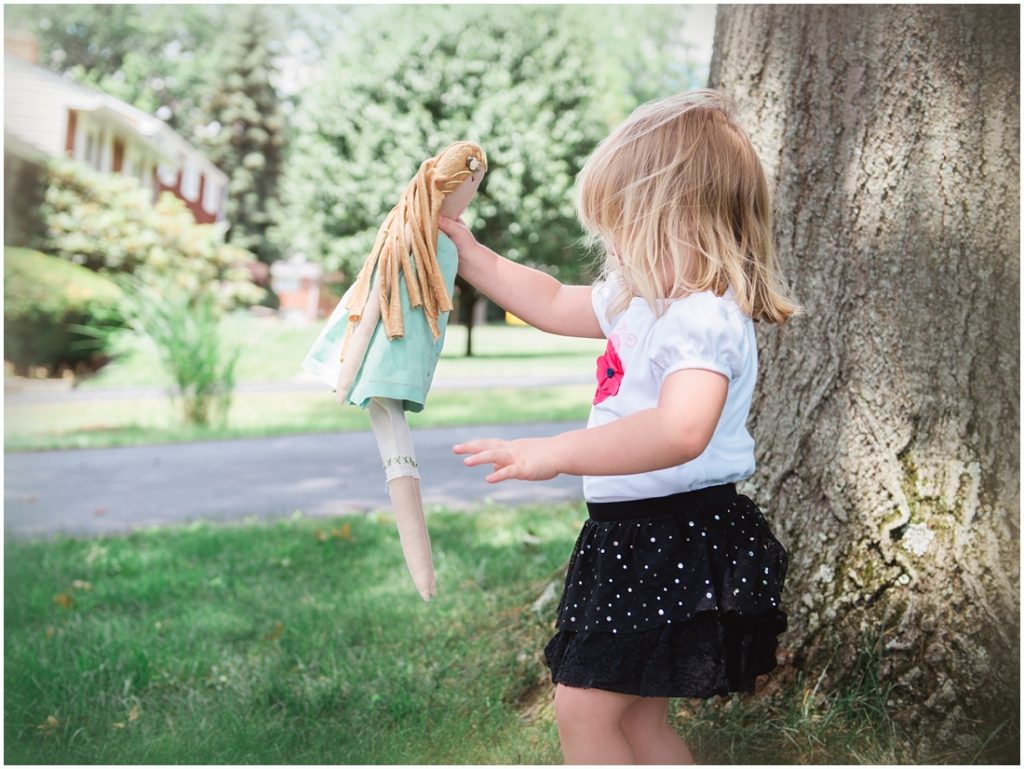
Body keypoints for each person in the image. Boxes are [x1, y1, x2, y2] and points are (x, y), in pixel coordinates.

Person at [438, 89, 803, 765]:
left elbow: (679, 430)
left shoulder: (702, 317)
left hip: (674, 535)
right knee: (634, 721)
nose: (611, 243)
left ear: (677, 219)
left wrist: (555, 452)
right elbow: (548, 299)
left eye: (622, 224)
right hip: (633, 536)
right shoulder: (642, 298)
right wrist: (468, 252)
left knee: (584, 706)